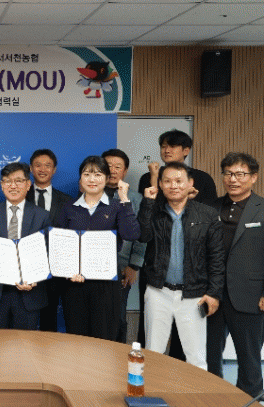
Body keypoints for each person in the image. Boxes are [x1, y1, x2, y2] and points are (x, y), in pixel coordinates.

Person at [137, 129, 217, 358]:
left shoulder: (202, 179)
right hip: (157, 274)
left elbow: (209, 219)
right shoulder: (149, 178)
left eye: (172, 146)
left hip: (192, 280)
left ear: (186, 151)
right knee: (153, 343)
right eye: (163, 146)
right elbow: (147, 223)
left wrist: (189, 201)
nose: (166, 150)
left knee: (191, 350)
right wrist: (154, 177)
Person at [56, 156, 140, 341]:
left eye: (98, 174)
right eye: (87, 174)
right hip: (75, 284)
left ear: (107, 178)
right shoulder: (68, 207)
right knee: (76, 339)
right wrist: (68, 272)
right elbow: (60, 246)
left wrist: (125, 200)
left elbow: (131, 234)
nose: (92, 179)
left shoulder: (117, 206)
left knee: (104, 338)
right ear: (80, 179)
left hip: (106, 285)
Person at [206, 153, 264, 396]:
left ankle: (250, 400)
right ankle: (212, 397)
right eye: (228, 174)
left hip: (250, 294)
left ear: (253, 177)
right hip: (213, 294)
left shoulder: (262, 209)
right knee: (209, 356)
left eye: (240, 174)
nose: (233, 179)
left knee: (249, 358)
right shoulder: (211, 208)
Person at [0, 162, 51, 329]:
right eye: (7, 181)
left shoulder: (42, 216)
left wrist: (34, 279)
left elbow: (47, 254)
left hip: (29, 292)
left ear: (28, 185)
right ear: (1, 185)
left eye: (18, 181)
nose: (13, 186)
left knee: (25, 342)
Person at [101, 148, 147, 343]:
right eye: (108, 165)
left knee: (118, 316)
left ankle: (118, 355)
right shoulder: (91, 194)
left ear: (125, 171)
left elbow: (142, 235)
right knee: (95, 315)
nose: (112, 170)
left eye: (117, 167)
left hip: (122, 267)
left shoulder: (135, 199)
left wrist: (134, 265)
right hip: (93, 267)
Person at [27, 149, 72, 332]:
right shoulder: (19, 196)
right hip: (27, 268)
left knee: (49, 319)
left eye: (47, 165)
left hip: (55, 271)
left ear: (54, 170)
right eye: (38, 165)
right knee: (25, 319)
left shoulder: (66, 201)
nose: (42, 169)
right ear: (31, 168)